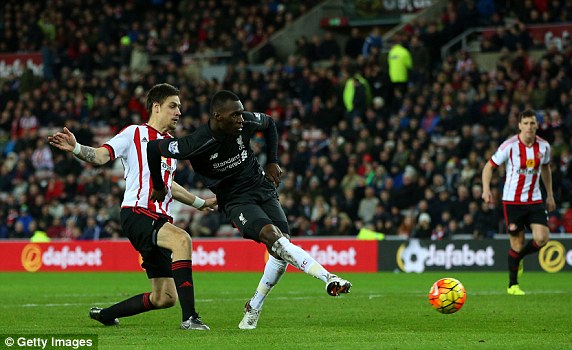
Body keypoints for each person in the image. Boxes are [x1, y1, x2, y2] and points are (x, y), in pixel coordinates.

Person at [146, 90, 352, 330]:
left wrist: (273, 161)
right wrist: (159, 187)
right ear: (217, 116)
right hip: (235, 200)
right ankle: (329, 277)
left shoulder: (245, 123)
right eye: (235, 115)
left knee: (281, 248)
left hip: (262, 188)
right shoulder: (194, 143)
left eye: (242, 113)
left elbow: (270, 123)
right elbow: (153, 149)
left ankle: (254, 306)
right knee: (274, 238)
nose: (241, 120)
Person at [48, 83, 216, 330]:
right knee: (183, 241)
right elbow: (101, 156)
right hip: (137, 213)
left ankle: (106, 314)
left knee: (165, 298)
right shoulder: (134, 133)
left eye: (180, 107)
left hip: (159, 219)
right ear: (156, 107)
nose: (178, 112)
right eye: (173, 106)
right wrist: (76, 148)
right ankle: (190, 318)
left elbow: (169, 185)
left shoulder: (169, 144)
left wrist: (200, 203)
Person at [481, 108, 555, 296]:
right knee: (517, 243)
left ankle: (517, 258)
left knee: (542, 238)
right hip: (512, 202)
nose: (529, 127)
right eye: (526, 123)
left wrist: (550, 195)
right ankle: (512, 285)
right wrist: (486, 189)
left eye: (532, 123)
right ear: (519, 125)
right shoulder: (510, 146)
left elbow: (546, 169)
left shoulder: (544, 147)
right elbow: (489, 167)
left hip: (535, 199)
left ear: (537, 125)